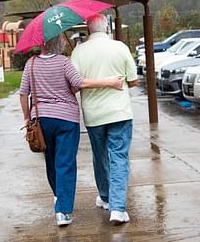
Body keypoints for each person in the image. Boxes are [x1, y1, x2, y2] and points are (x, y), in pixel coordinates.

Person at [19, 35, 123, 227]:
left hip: (42, 119)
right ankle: (63, 211)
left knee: (51, 162)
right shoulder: (64, 62)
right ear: (58, 43)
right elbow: (79, 84)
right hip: (66, 119)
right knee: (65, 163)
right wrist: (109, 82)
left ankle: (60, 196)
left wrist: (27, 117)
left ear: (42, 44)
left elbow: (24, 93)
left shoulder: (31, 64)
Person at [70, 14, 139, 225]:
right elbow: (134, 81)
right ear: (106, 27)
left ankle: (106, 197)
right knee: (118, 156)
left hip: (94, 114)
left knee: (100, 156)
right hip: (119, 111)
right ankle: (118, 208)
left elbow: (74, 85)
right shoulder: (120, 47)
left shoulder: (78, 52)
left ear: (89, 29)